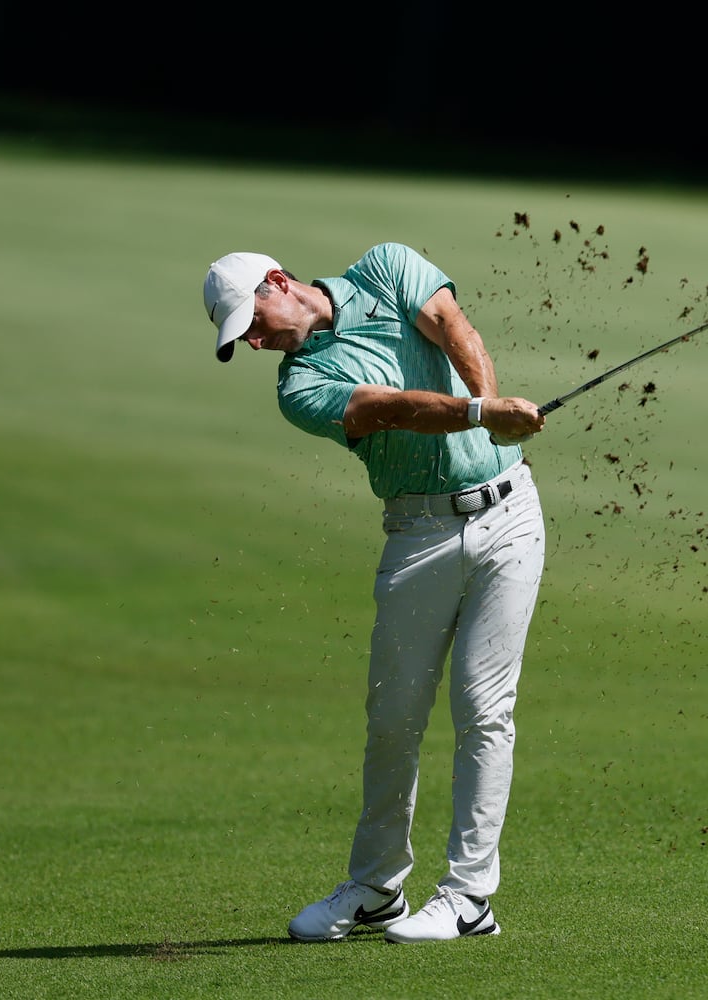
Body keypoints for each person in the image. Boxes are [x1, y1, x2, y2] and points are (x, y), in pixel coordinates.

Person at [200, 243, 547, 943]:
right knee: (395, 719)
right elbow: (386, 408)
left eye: (254, 321)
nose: (259, 341)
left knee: (484, 709)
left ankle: (469, 896)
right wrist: (484, 415)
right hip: (417, 535)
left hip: (510, 516)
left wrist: (490, 405)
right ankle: (376, 889)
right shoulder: (299, 389)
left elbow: (454, 327)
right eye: (245, 339)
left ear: (278, 282)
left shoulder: (386, 267)